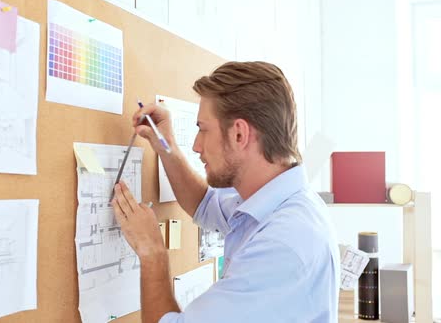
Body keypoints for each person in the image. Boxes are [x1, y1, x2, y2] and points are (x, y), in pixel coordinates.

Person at [111, 61, 340, 323]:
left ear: (240, 134)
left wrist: (152, 252)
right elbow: (205, 205)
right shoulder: (280, 203)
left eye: (203, 129)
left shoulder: (282, 244)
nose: (196, 146)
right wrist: (166, 146)